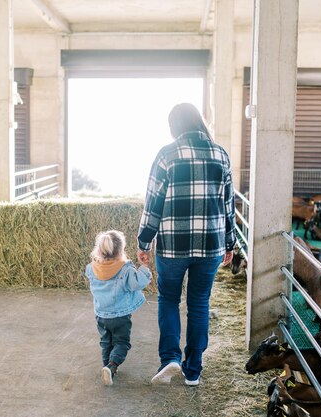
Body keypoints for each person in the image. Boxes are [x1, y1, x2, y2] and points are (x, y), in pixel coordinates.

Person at [137, 102, 236, 386]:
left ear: (174, 127)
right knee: (199, 303)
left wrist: (144, 241)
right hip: (211, 245)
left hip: (172, 247)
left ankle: (170, 358)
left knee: (169, 299)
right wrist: (229, 243)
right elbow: (228, 205)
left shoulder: (167, 155)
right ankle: (193, 370)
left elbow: (152, 202)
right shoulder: (221, 155)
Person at [85, 230, 152, 386]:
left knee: (106, 342)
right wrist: (144, 267)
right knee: (122, 343)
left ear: (99, 250)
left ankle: (106, 368)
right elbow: (138, 282)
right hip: (120, 316)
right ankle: (112, 365)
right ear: (121, 251)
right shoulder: (125, 270)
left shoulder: (91, 268)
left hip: (101, 315)